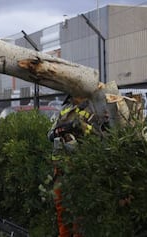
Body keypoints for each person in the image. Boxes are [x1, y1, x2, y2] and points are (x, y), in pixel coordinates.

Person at [47, 95, 96, 237]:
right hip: (61, 168)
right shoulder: (65, 110)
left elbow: (96, 134)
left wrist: (79, 127)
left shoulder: (91, 110)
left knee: (78, 210)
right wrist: (59, 131)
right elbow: (50, 134)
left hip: (79, 167)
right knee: (61, 208)